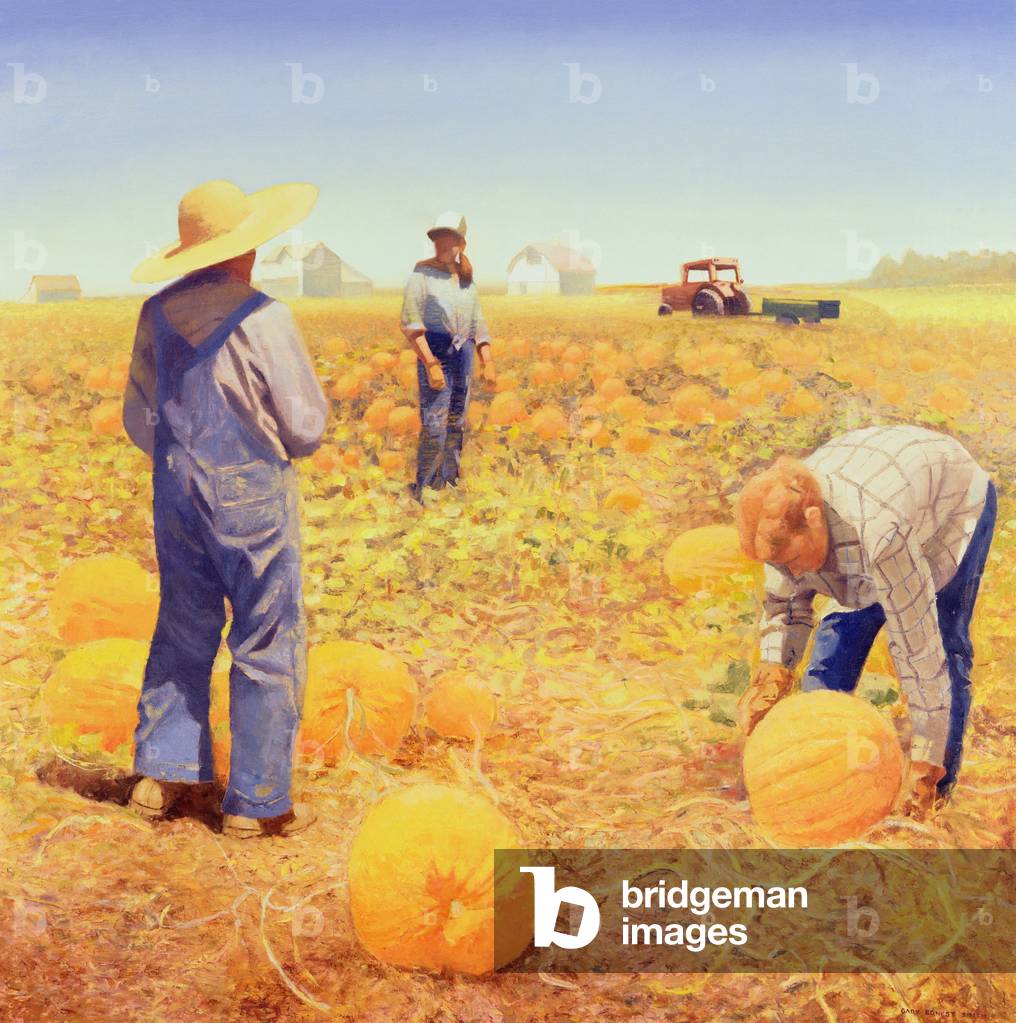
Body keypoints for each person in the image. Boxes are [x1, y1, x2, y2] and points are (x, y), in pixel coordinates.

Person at [122, 178, 328, 838]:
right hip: (251, 493)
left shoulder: (155, 315)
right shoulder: (267, 318)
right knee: (267, 636)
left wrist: (181, 453)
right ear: (245, 252)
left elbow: (137, 417)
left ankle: (163, 775)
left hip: (176, 487)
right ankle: (255, 801)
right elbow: (305, 427)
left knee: (184, 625)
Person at [733, 425, 996, 820]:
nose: (785, 572)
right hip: (882, 483)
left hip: (951, 504)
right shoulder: (784, 529)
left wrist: (924, 761)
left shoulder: (881, 536)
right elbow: (785, 605)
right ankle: (817, 784)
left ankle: (935, 793)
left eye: (788, 562)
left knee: (945, 643)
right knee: (830, 655)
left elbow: (919, 651)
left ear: (813, 518)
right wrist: (774, 671)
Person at [400, 211, 496, 502]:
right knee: (434, 421)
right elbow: (411, 322)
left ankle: (449, 481)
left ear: (461, 244)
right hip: (436, 349)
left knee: (457, 419)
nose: (442, 246)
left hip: (463, 353)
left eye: (449, 240)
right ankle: (425, 486)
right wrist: (430, 363)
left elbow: (478, 322)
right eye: (438, 240)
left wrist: (487, 359)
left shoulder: (467, 281)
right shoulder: (421, 275)